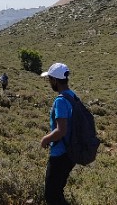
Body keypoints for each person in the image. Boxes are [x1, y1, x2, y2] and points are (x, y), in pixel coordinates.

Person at [39, 63, 78, 205]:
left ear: (55, 80)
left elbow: (61, 130)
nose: (49, 83)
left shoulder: (61, 100)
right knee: (57, 191)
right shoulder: (73, 96)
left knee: (51, 195)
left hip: (60, 153)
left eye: (50, 80)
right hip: (71, 151)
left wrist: (46, 139)